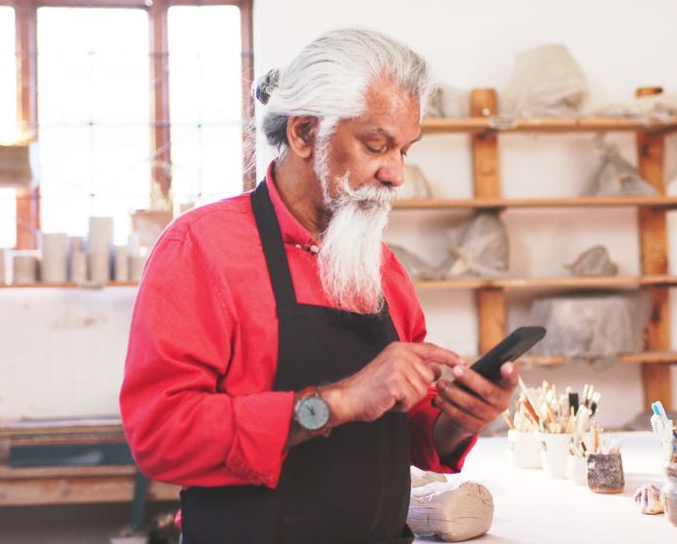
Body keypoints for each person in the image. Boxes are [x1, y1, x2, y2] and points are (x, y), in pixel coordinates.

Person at [120, 28, 519, 544]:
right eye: (376, 145)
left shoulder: (381, 267)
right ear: (305, 133)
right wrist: (337, 401)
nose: (396, 173)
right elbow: (162, 437)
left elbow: (412, 433)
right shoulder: (202, 248)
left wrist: (463, 418)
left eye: (405, 149)